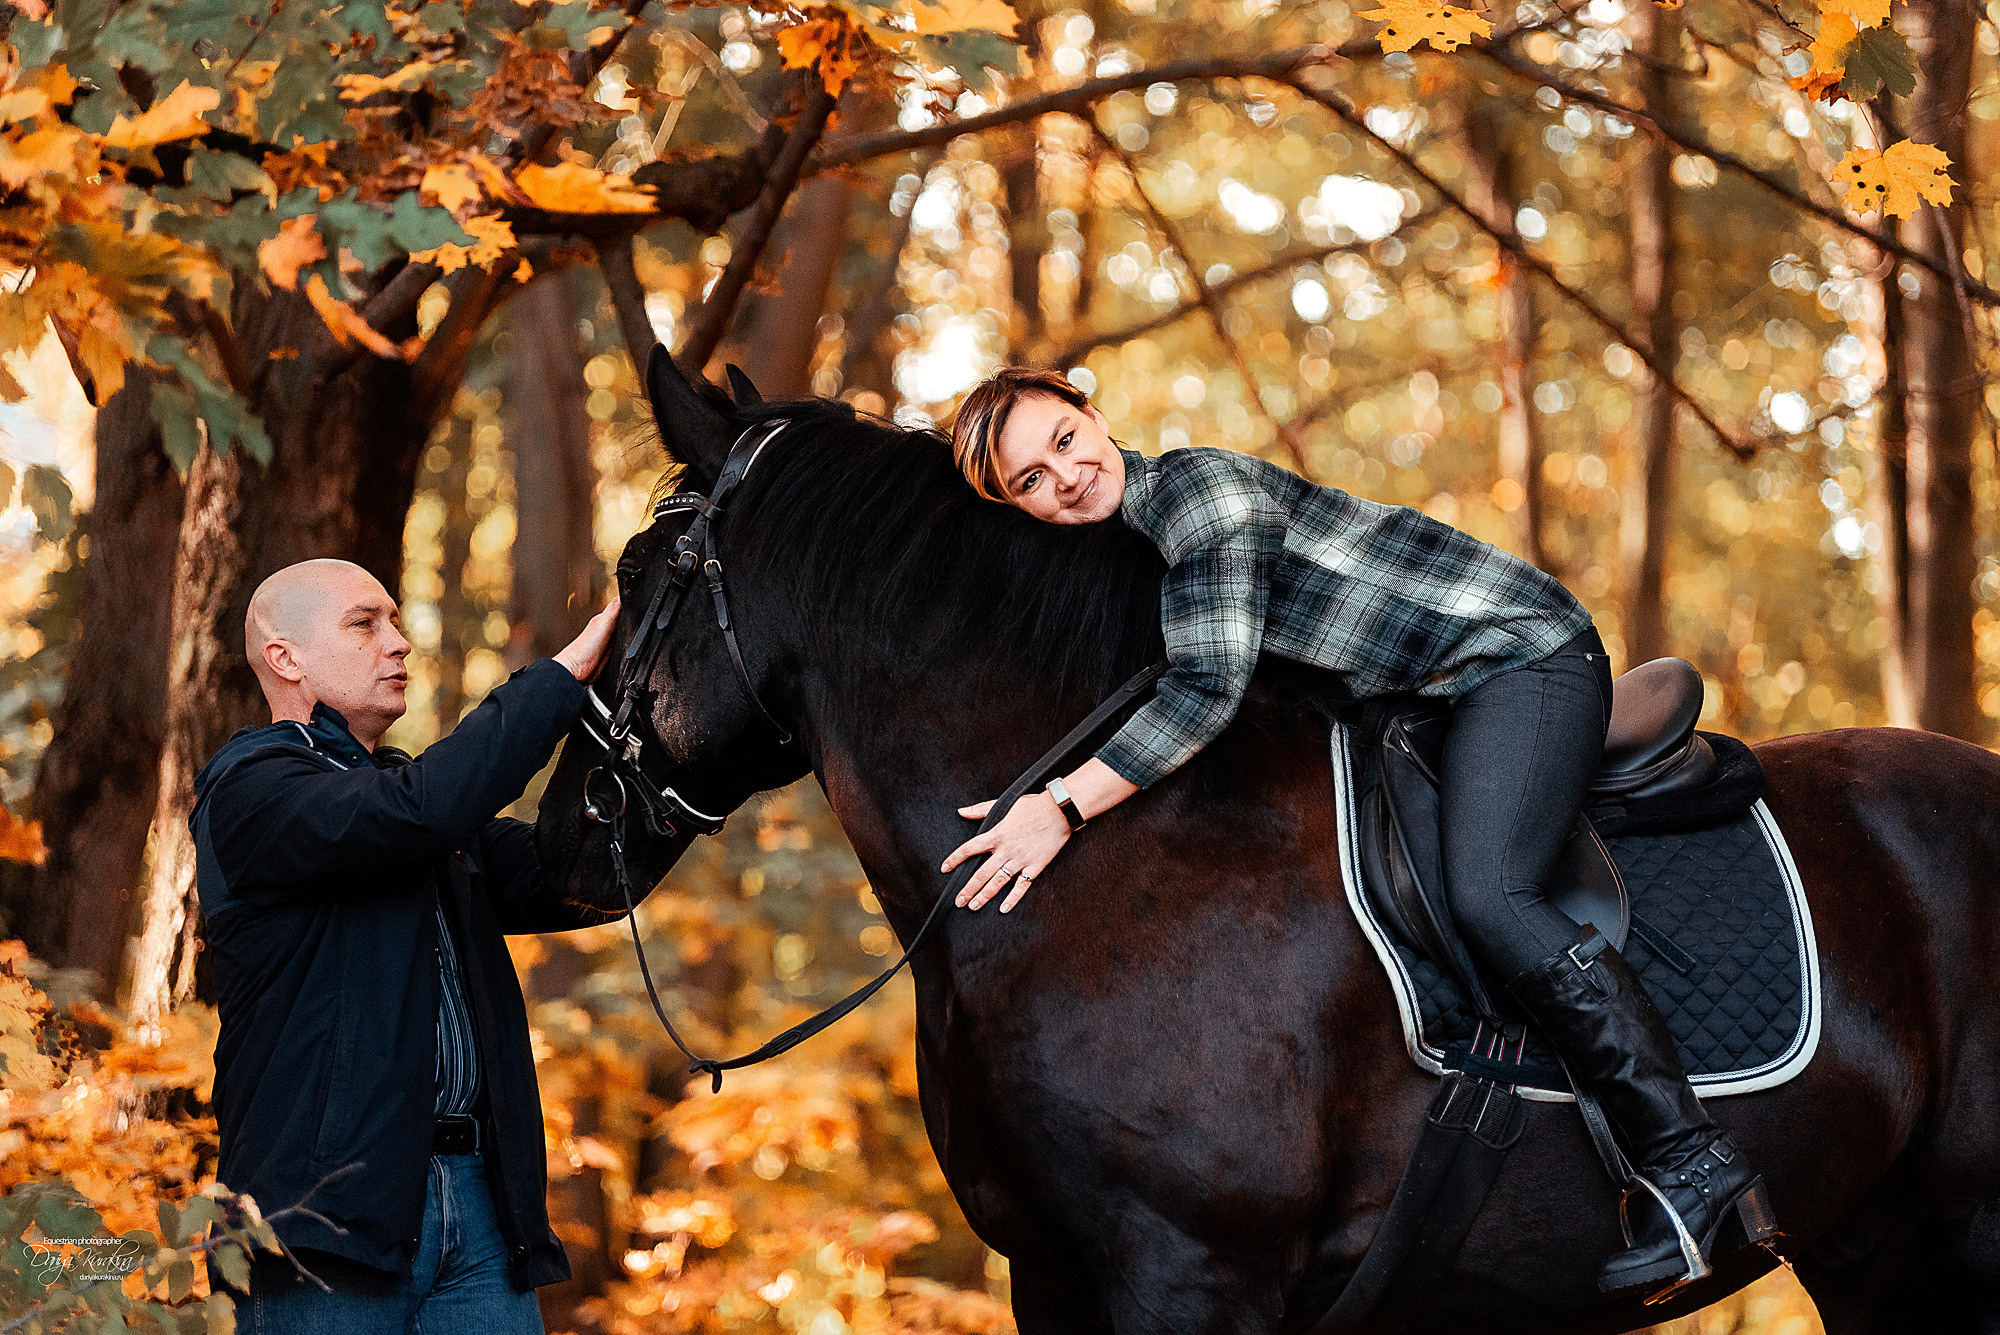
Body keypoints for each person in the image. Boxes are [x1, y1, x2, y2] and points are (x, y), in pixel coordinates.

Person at [938, 367, 1772, 1299]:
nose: (1066, 476)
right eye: (1031, 480)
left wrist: (1057, 806)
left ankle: (1691, 1157)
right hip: (1423, 696)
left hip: (1518, 656)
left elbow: (1205, 689)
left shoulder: (1199, 496)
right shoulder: (1127, 546)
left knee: (1492, 894)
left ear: (1093, 415)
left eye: (1063, 439)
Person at [189, 558, 623, 1333]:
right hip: (317, 1222)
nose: (398, 641)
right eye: (365, 623)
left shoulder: (418, 809)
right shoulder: (250, 785)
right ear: (286, 657)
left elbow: (580, 873)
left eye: (394, 620)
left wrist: (680, 743)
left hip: (483, 1214)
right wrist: (561, 678)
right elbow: (412, 811)